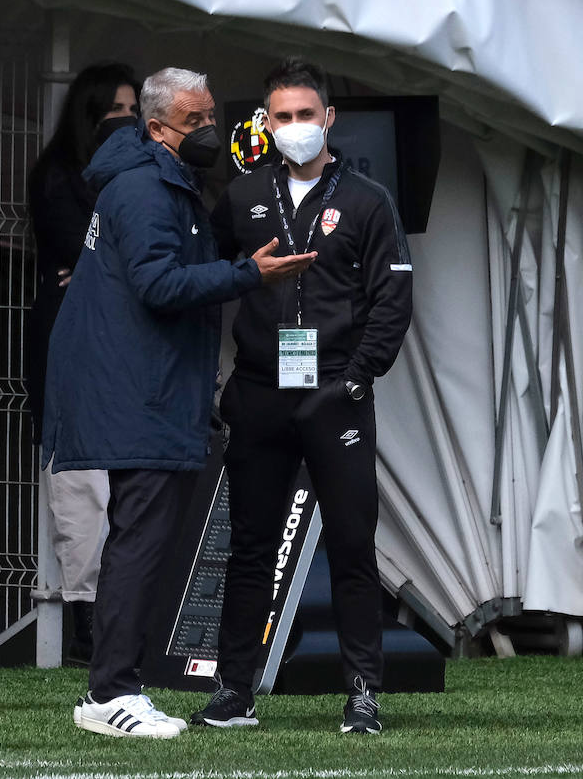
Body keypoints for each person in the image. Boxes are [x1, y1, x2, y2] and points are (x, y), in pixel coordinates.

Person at [41, 67, 314, 739]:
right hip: (138, 391)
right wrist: (252, 273)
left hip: (144, 388)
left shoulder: (158, 179)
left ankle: (114, 688)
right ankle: (112, 694)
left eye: (211, 116)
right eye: (196, 122)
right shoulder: (141, 187)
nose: (210, 132)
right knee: (138, 543)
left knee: (140, 540)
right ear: (157, 128)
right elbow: (160, 285)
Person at [194, 57, 413, 736]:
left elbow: (393, 298)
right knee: (250, 547)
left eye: (304, 116)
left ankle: (363, 695)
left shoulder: (369, 200)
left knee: (352, 544)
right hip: (260, 391)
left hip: (335, 392)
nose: (294, 128)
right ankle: (236, 692)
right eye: (281, 117)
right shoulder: (241, 195)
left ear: (329, 119)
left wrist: (358, 376)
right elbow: (205, 281)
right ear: (266, 123)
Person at [26, 62, 141, 666]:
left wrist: (101, 269)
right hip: (70, 354)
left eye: (133, 109)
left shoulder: (140, 176)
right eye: (114, 110)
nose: (125, 121)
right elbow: (89, 252)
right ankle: (87, 630)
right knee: (79, 489)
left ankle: (120, 625)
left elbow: (131, 255)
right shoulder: (57, 176)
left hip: (123, 354)